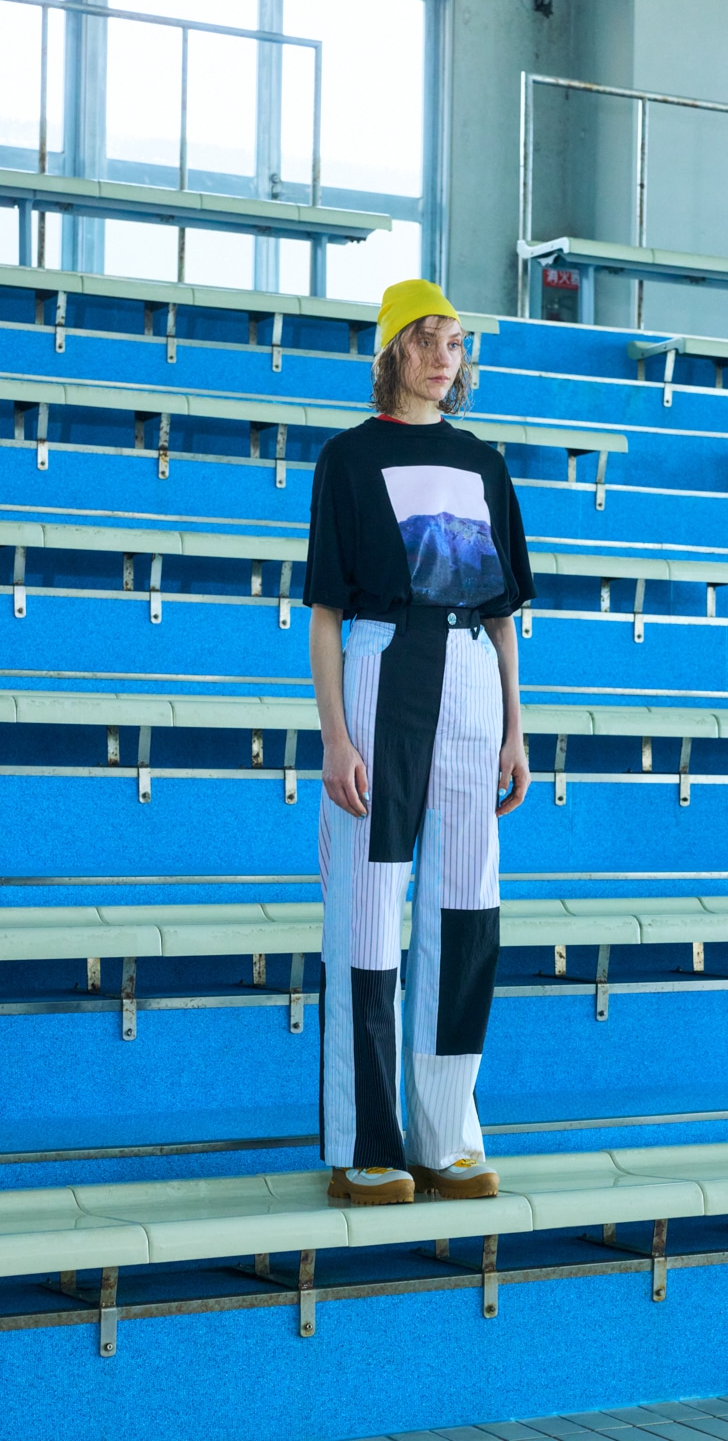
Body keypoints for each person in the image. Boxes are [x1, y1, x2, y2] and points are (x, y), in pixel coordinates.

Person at [304, 278, 534, 1207]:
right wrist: (335, 737)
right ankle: (366, 1143)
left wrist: (517, 727)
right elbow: (325, 613)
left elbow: (503, 611)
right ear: (394, 348)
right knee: (366, 919)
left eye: (458, 341)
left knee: (466, 911)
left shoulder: (483, 464)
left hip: (472, 681)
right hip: (381, 673)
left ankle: (447, 1136)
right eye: (430, 338)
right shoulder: (348, 459)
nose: (447, 356)